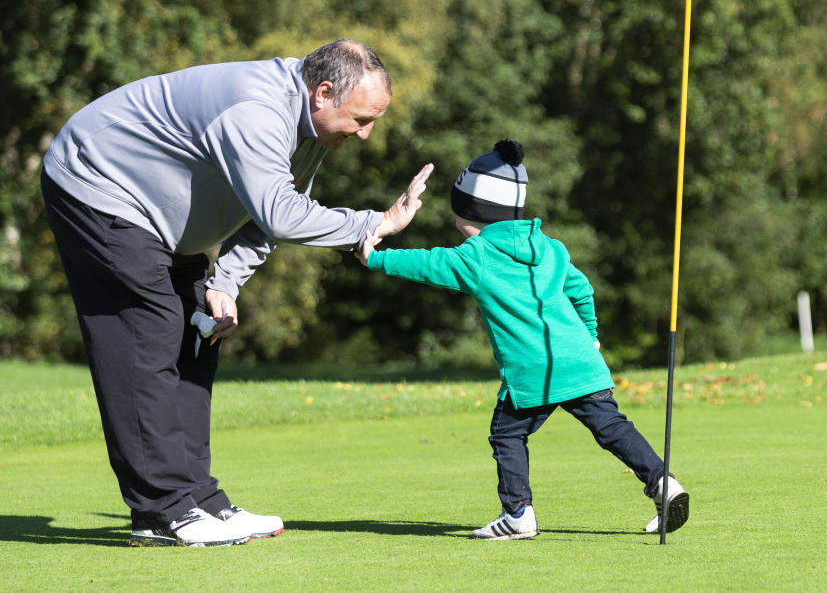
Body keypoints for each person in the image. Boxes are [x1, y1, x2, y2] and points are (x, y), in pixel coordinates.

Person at [41, 39, 433, 547]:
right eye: (361, 119)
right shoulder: (257, 110)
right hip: (96, 183)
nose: (365, 134)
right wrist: (373, 223)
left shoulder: (311, 128)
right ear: (324, 92)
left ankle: (198, 500)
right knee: (150, 332)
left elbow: (270, 215)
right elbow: (280, 215)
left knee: (196, 333)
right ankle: (161, 512)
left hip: (161, 219)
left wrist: (223, 283)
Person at [358, 139, 689, 540]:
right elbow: (582, 290)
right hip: (581, 359)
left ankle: (517, 514)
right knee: (613, 428)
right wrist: (592, 335)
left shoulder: (474, 255)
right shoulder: (551, 248)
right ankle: (663, 485)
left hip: (532, 373)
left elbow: (427, 263)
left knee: (507, 433)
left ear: (474, 213)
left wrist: (376, 257)